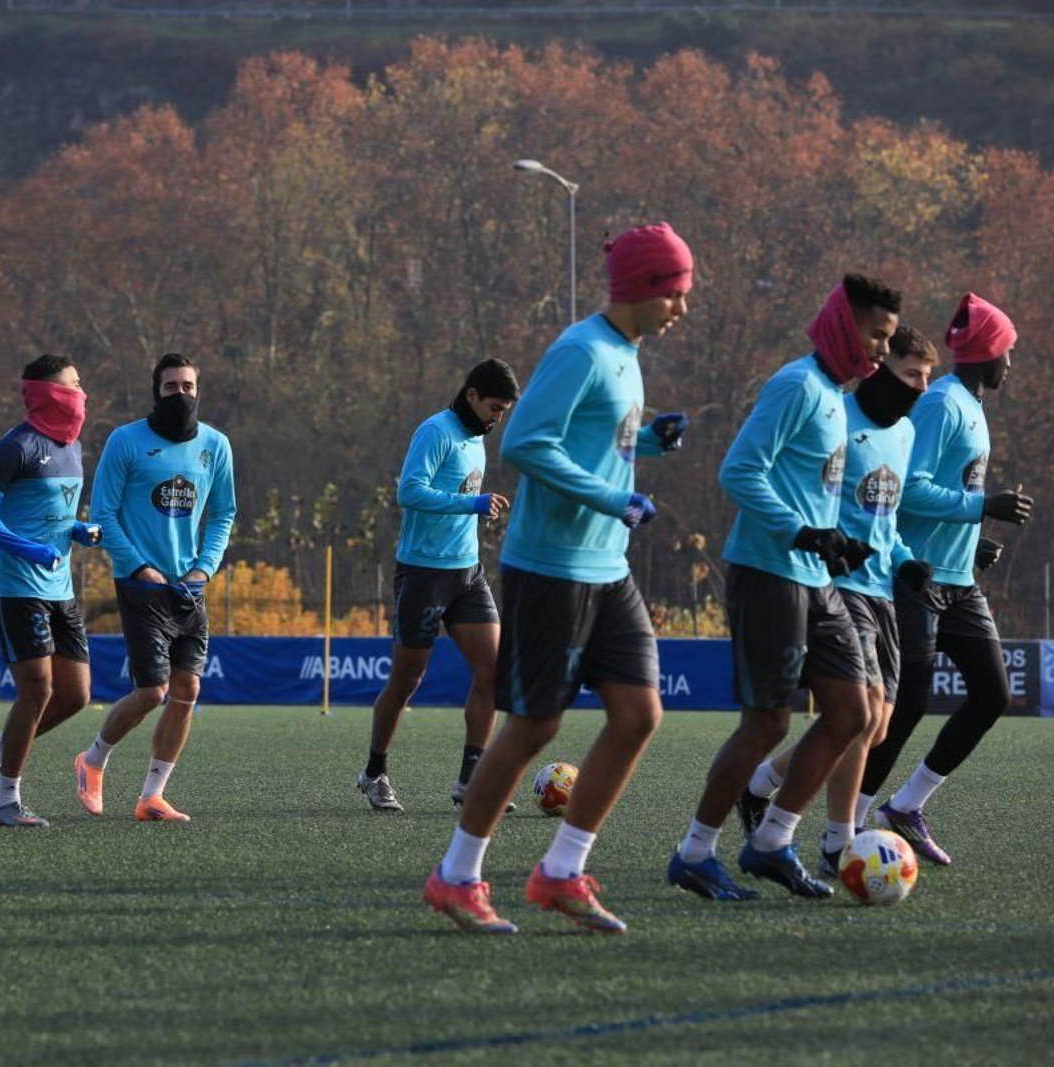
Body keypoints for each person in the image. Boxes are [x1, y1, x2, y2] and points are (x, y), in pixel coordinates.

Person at [423, 223, 693, 934]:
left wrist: (648, 447)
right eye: (677, 292)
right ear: (644, 287)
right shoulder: (582, 349)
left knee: (639, 714)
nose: (683, 307)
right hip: (552, 566)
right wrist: (613, 498)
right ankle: (456, 876)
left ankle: (561, 871)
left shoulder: (628, 356)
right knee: (535, 725)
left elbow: (597, 448)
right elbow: (525, 442)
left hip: (609, 567)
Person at [667, 274, 900, 902]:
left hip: (815, 577)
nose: (882, 350)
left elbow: (809, 492)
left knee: (854, 714)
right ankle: (693, 853)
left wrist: (834, 540)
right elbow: (738, 471)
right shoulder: (796, 384)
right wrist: (802, 531)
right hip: (768, 574)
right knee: (767, 724)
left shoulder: (833, 394)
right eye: (876, 336)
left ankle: (772, 842)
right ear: (845, 326)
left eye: (888, 339)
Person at [736, 325, 939, 874]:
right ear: (880, 368)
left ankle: (763, 783)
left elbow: (888, 520)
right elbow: (796, 487)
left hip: (881, 590)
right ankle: (838, 842)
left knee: (874, 726)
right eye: (911, 375)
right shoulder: (837, 418)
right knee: (860, 713)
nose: (921, 388)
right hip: (838, 582)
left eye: (927, 377)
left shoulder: (904, 433)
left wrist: (906, 562)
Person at [857, 294, 1031, 865]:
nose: (1012, 363)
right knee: (905, 705)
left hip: (958, 579)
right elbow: (910, 487)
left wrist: (972, 541)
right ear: (990, 353)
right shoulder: (944, 404)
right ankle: (850, 825)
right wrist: (982, 506)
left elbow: (948, 492)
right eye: (1009, 351)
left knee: (993, 693)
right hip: (917, 577)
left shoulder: (973, 406)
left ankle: (905, 807)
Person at [73, 352, 235, 823]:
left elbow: (224, 513)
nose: (180, 394)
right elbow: (102, 514)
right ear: (156, 392)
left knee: (188, 689)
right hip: (140, 583)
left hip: (191, 586)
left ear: (197, 390)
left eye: (188, 386)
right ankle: (94, 758)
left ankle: (152, 796)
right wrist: (139, 567)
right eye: (171, 387)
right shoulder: (125, 441)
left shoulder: (216, 445)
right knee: (151, 691)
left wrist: (204, 568)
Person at [356, 358, 519, 814]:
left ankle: (472, 778)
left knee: (492, 673)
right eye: (494, 407)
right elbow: (409, 491)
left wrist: (474, 511)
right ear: (471, 395)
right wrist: (471, 504)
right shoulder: (436, 431)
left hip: (468, 573)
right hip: (423, 573)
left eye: (503, 411)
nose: (497, 417)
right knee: (407, 679)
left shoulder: (476, 439)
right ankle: (374, 773)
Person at [0, 353, 101, 828]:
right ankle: (6, 801)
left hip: (59, 588)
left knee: (76, 695)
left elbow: (52, 515)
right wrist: (29, 549)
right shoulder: (15, 447)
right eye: (74, 385)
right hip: (20, 587)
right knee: (37, 690)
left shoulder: (73, 447)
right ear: (49, 394)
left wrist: (78, 530)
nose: (82, 394)